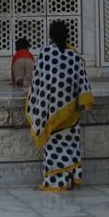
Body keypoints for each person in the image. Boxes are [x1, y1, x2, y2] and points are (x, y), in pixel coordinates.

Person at [26, 20, 94, 192]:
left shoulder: (46, 53)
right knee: (71, 146)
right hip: (71, 112)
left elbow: (38, 82)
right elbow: (83, 83)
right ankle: (73, 179)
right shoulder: (74, 56)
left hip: (51, 111)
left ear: (51, 36)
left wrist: (36, 104)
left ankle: (55, 182)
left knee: (53, 148)